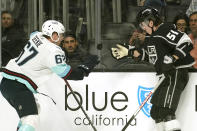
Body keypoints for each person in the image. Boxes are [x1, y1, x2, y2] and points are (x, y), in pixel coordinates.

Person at [0, 20, 99, 131]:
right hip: (17, 85)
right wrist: (86, 66)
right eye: (61, 35)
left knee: (35, 109)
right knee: (31, 119)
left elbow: (34, 32)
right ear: (54, 35)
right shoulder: (53, 51)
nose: (62, 38)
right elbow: (68, 74)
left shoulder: (36, 36)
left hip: (9, 82)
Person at [111, 7, 195, 131]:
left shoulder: (165, 29)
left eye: (143, 24)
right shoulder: (151, 39)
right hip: (164, 76)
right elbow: (150, 57)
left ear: (151, 22)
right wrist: (130, 52)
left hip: (175, 72)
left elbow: (186, 42)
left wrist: (173, 58)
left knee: (166, 112)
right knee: (156, 112)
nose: (142, 28)